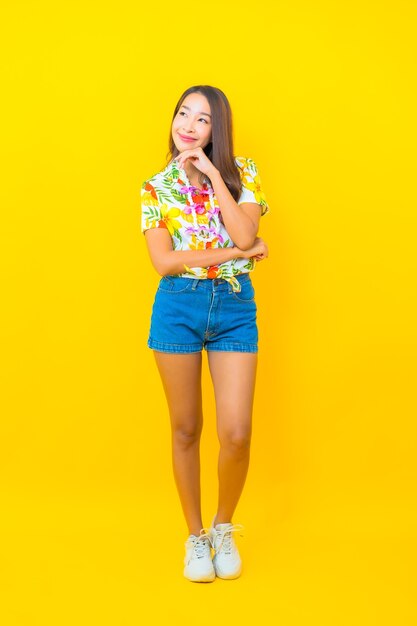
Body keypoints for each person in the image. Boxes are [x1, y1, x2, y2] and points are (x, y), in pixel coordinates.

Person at [140, 85, 270, 582]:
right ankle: (194, 537)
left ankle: (221, 526)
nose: (188, 126)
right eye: (182, 114)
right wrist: (236, 257)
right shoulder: (156, 187)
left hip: (235, 309)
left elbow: (244, 231)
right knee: (186, 428)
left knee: (236, 433)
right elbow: (165, 262)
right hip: (178, 309)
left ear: (218, 130)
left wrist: (215, 174)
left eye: (203, 119)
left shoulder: (244, 173)